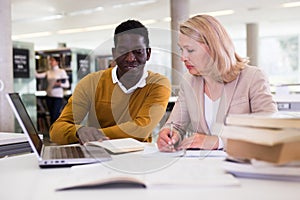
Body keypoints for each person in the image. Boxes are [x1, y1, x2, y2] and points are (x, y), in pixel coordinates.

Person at [157, 15, 278, 152]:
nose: (183, 58)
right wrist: (168, 134)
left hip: (245, 164)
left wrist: (219, 142)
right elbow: (176, 125)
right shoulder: (189, 82)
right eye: (181, 50)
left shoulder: (252, 77)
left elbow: (270, 130)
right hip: (203, 166)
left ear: (213, 48)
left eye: (190, 50)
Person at [49, 19, 171, 145]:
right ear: (114, 53)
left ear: (148, 53)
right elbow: (56, 130)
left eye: (138, 51)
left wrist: (95, 135)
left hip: (138, 157)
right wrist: (78, 132)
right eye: (123, 52)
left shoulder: (158, 84)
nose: (130, 58)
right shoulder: (90, 83)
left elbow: (140, 129)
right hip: (96, 156)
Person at [36, 56, 70, 124]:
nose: (50, 62)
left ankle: (56, 132)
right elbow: (38, 76)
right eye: (49, 61)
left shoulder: (61, 71)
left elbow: (67, 85)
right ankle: (52, 132)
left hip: (58, 97)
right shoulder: (49, 72)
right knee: (51, 115)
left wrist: (60, 84)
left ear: (57, 62)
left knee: (55, 115)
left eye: (52, 60)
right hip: (49, 96)